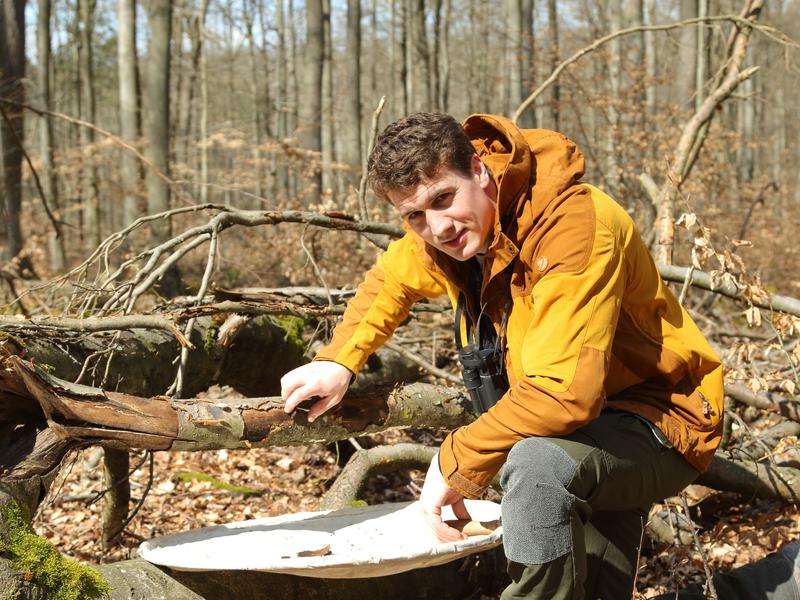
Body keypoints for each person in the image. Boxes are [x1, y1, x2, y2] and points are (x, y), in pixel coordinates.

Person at [280, 112, 724, 599]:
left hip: (660, 417)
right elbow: (391, 280)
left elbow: (564, 394)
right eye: (413, 216)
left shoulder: (575, 225)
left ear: (479, 170)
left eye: (443, 199)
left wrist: (453, 459)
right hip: (578, 431)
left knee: (535, 470)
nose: (437, 228)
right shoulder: (446, 236)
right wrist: (338, 360)